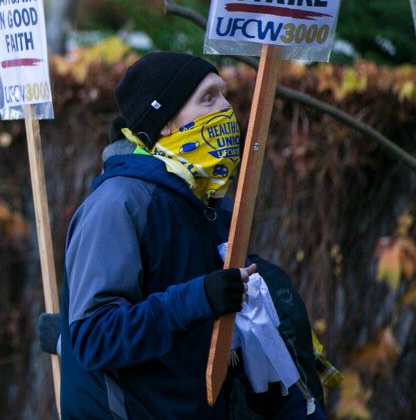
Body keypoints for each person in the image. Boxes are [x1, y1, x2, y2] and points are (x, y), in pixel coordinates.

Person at [58, 51, 308, 419]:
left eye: (223, 95)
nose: (226, 109)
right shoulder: (118, 205)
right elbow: (94, 337)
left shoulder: (208, 206)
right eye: (208, 98)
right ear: (165, 123)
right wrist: (197, 299)